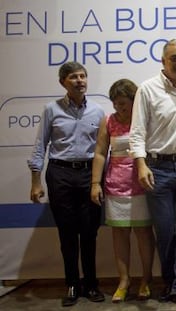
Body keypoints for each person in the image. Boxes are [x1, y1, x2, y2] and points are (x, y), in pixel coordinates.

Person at [129, 39, 176, 309]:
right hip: (158, 170)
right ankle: (171, 283)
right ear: (163, 61)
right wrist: (140, 164)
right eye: (175, 58)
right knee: (165, 231)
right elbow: (137, 132)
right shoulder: (148, 90)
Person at [28, 61, 105, 307]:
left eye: (83, 76)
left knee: (90, 232)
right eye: (73, 77)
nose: (80, 80)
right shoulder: (51, 109)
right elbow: (40, 147)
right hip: (60, 174)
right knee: (67, 233)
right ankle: (72, 284)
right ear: (63, 82)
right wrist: (35, 182)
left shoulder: (98, 111)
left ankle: (91, 284)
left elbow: (103, 150)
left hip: (89, 175)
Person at [90, 79, 155, 303]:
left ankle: (146, 279)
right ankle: (124, 280)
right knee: (119, 235)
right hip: (115, 187)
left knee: (144, 234)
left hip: (142, 185)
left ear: (135, 101)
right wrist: (95, 183)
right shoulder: (108, 122)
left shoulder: (145, 120)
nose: (120, 108)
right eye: (116, 104)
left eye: (124, 104)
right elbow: (99, 153)